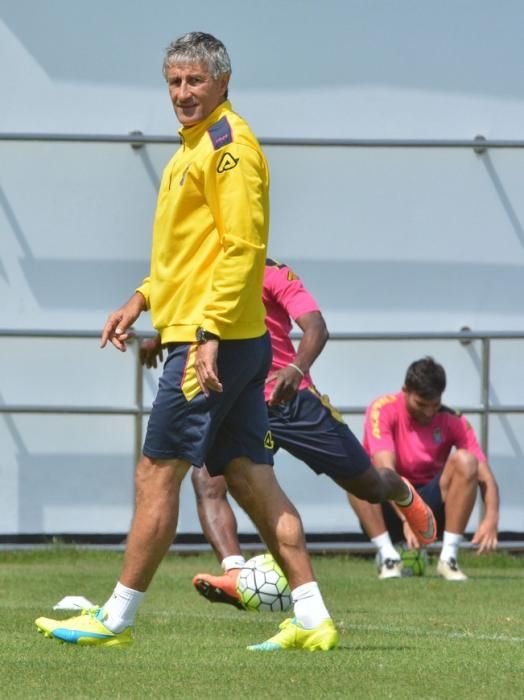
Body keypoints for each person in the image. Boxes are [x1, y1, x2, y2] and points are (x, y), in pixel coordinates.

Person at [34, 32, 338, 652]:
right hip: (224, 337)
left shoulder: (229, 149)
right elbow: (188, 257)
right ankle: (313, 617)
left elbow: (242, 249)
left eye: (195, 81)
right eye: (174, 81)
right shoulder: (189, 152)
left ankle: (115, 618)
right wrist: (139, 299)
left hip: (215, 343)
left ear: (224, 82)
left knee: (156, 472)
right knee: (252, 477)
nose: (183, 93)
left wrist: (205, 332)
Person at [140, 258, 438, 610]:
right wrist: (160, 338)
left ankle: (400, 491)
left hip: (290, 399)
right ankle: (235, 571)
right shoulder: (206, 267)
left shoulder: (271, 272)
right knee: (206, 481)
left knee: (368, 486)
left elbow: (316, 327)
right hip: (239, 400)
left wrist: (296, 369)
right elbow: (196, 313)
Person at [348, 356, 500, 580]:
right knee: (354, 468)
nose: (429, 412)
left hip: (431, 511)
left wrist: (491, 519)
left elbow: (485, 475)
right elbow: (387, 472)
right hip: (390, 505)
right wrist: (409, 517)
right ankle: (388, 557)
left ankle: (449, 559)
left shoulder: (453, 420)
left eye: (435, 405)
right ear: (405, 391)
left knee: (466, 461)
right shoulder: (382, 409)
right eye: (421, 404)